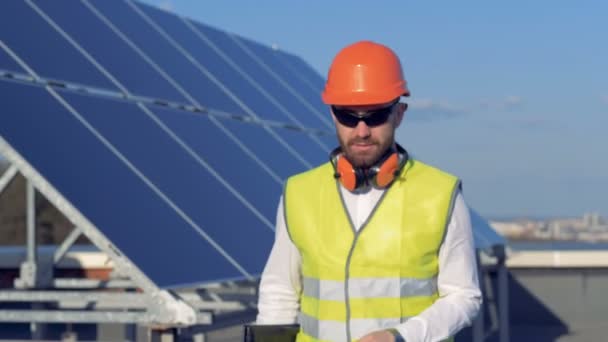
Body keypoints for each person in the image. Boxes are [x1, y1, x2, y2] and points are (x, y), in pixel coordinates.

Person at [256, 40, 482, 342]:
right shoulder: (298, 193)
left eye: (375, 116)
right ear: (333, 115)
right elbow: (279, 294)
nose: (362, 131)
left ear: (399, 114)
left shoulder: (441, 194)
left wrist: (399, 337)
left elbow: (464, 296)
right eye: (349, 116)